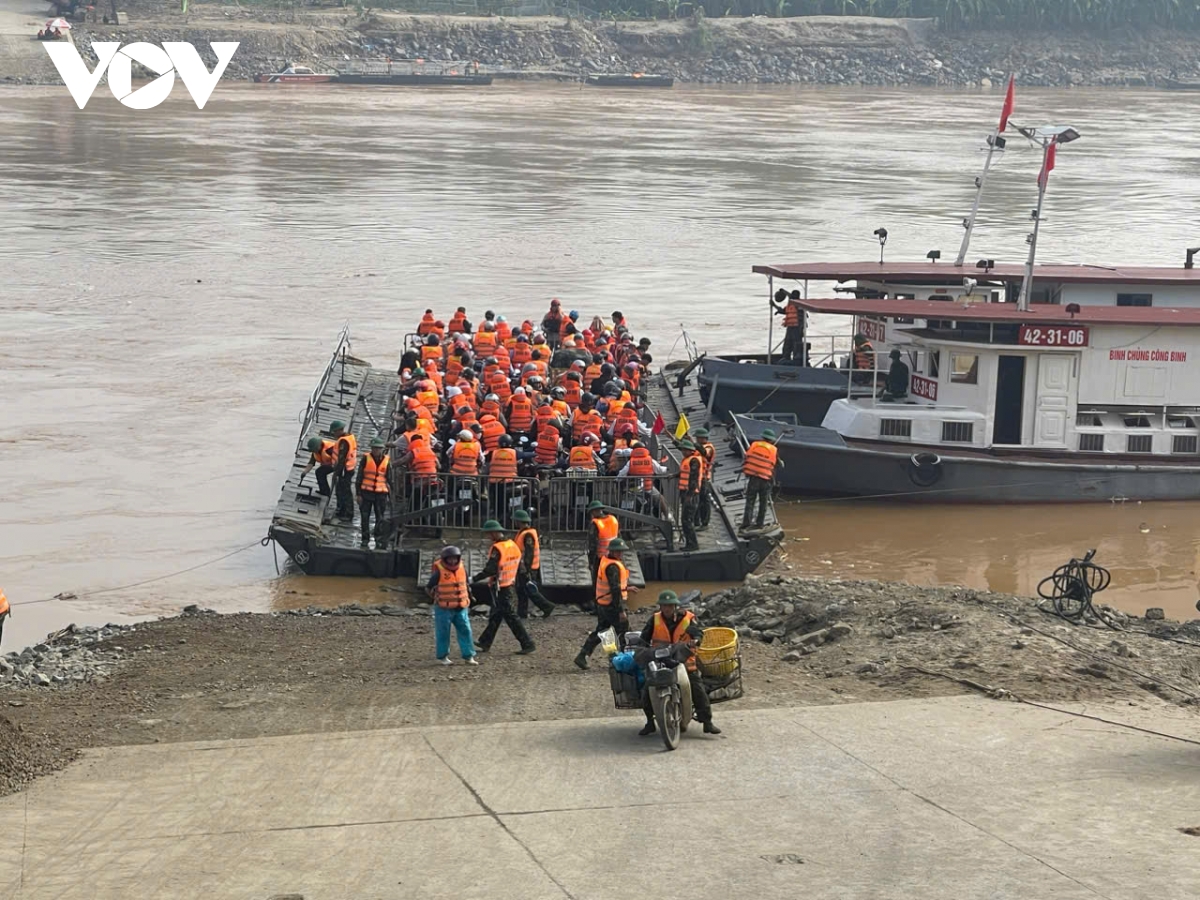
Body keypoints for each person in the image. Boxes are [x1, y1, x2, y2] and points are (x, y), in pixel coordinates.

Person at [638, 590, 720, 736]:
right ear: (660, 607)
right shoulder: (654, 619)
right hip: (661, 660)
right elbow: (644, 638)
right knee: (647, 689)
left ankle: (707, 722)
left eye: (670, 605)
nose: (667, 608)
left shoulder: (687, 618)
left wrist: (696, 640)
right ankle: (650, 721)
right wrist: (640, 649)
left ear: (675, 606)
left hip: (684, 660)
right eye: (664, 605)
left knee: (697, 688)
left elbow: (698, 632)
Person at [472, 520, 535, 654]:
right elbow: (519, 564)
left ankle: (527, 643)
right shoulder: (511, 544)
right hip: (509, 583)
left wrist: (473, 579)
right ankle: (485, 642)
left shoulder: (498, 548)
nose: (488, 537)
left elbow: (490, 569)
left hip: (501, 586)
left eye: (489, 534)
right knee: (496, 614)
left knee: (511, 617)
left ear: (494, 533)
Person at [574, 537, 636, 669]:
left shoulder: (606, 561)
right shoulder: (613, 566)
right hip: (611, 605)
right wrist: (620, 611)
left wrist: (626, 588)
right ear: (612, 551)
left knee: (602, 631)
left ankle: (584, 656)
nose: (620, 553)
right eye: (618, 551)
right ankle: (626, 660)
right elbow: (614, 590)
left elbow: (613, 586)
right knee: (624, 632)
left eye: (621, 551)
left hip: (602, 602)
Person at [425, 546, 478, 666]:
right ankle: (443, 656)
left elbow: (466, 584)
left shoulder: (462, 569)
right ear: (445, 559)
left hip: (461, 607)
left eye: (455, 559)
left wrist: (470, 595)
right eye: (450, 559)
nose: (453, 561)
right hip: (443, 608)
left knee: (466, 630)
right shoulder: (439, 572)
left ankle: (469, 656)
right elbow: (428, 587)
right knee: (443, 632)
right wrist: (435, 598)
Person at [512, 509, 555, 619]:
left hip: (527, 567)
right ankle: (523, 612)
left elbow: (529, 554)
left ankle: (546, 606)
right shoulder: (524, 533)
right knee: (523, 590)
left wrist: (526, 569)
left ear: (519, 521)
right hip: (524, 567)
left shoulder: (527, 535)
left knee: (528, 590)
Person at [740, 428, 780, 532]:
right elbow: (777, 463)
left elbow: (747, 456)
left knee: (750, 501)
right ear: (771, 440)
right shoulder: (773, 449)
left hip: (753, 478)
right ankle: (759, 524)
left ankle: (746, 523)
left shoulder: (754, 445)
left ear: (762, 437)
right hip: (765, 480)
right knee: (763, 502)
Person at [355, 437, 390, 547]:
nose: (376, 451)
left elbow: (389, 478)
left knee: (380, 517)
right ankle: (365, 538)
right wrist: (358, 494)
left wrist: (390, 494)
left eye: (378, 449)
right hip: (366, 493)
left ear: (382, 449)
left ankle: (377, 537)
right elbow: (359, 477)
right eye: (374, 448)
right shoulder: (366, 459)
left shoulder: (387, 461)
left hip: (381, 494)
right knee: (365, 516)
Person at [678, 439, 704, 552]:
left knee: (686, 520)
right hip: (687, 493)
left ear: (690, 450)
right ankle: (689, 543)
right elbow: (685, 473)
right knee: (685, 520)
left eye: (684, 450)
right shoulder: (689, 460)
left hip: (691, 494)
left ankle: (692, 544)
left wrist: (689, 495)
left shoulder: (694, 461)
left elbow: (693, 479)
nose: (683, 452)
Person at [330, 420, 357, 520]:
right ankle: (341, 510)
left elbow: (341, 458)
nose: (333, 434)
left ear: (338, 431)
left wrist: (336, 472)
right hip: (349, 468)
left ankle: (348, 513)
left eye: (334, 432)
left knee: (345, 491)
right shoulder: (349, 437)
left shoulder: (343, 441)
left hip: (345, 470)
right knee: (340, 490)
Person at [586, 500, 620, 575]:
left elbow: (592, 546)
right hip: (615, 556)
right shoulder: (613, 519)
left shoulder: (595, 524)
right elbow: (619, 538)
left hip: (601, 559)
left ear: (593, 512)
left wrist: (591, 562)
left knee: (599, 581)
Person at [693, 428, 716, 529]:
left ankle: (704, 522)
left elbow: (705, 453)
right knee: (697, 500)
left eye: (698, 438)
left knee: (704, 500)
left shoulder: (709, 448)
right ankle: (697, 521)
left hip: (704, 478)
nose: (697, 440)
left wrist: (693, 442)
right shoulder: (699, 447)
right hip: (698, 477)